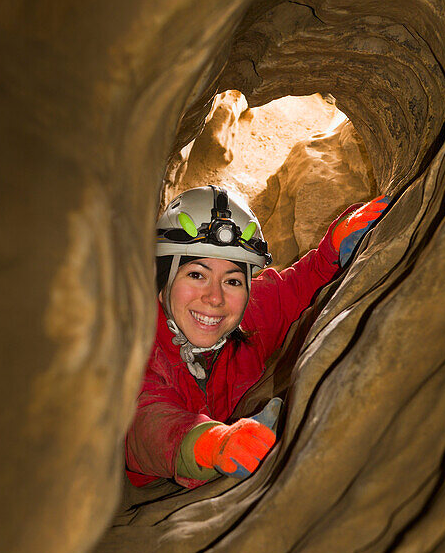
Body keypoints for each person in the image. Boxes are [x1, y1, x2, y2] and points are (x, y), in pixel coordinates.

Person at [125, 185, 389, 489]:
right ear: (163, 282)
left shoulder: (249, 316)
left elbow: (297, 286)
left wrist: (334, 248)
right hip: (154, 491)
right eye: (196, 275)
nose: (215, 297)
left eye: (233, 281)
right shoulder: (140, 346)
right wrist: (211, 444)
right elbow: (147, 422)